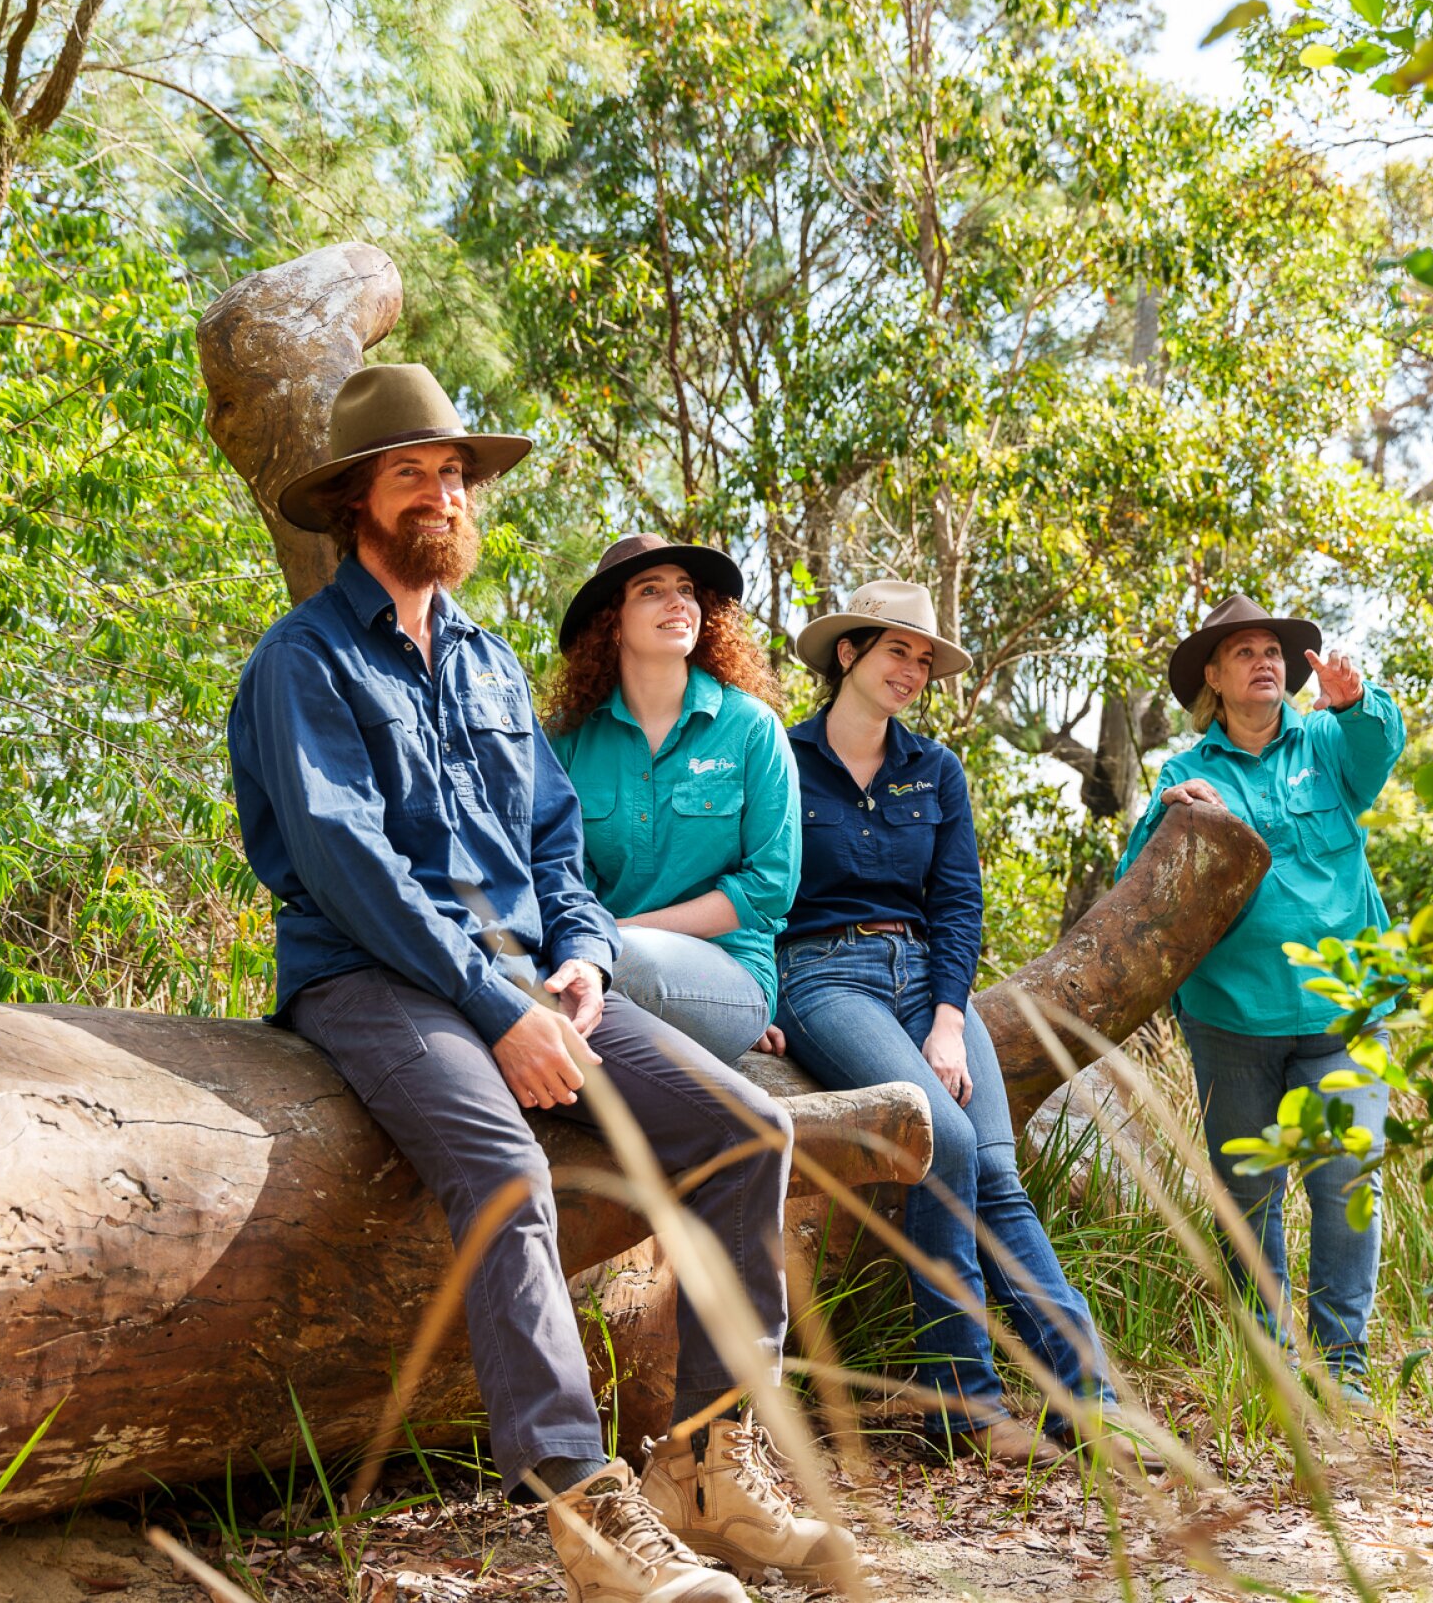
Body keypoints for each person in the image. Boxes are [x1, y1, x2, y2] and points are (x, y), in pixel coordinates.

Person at [225, 364, 852, 1602]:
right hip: (369, 978)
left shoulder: (487, 662)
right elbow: (349, 866)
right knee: (506, 1169)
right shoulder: (302, 663)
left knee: (747, 1128)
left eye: (455, 473)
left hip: (530, 978)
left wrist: (583, 954)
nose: (443, 493)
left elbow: (555, 846)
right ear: (357, 500)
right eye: (414, 471)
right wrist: (494, 1005)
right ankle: (584, 1510)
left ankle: (708, 1463)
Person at [771, 580, 1113, 1464]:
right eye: (898, 652)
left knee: (994, 1169)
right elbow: (756, 885)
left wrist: (950, 1021)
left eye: (925, 660)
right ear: (848, 654)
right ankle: (962, 1405)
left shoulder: (937, 769)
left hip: (927, 977)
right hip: (825, 975)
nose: (915, 671)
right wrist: (754, 995)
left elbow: (959, 904)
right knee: (947, 1145)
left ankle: (1093, 1404)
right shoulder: (778, 756)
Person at [1115, 594, 1405, 1405]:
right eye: (1244, 652)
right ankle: (1270, 1358)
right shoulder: (1186, 771)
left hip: (1345, 1009)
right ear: (1213, 677)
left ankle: (1343, 1366)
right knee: (1249, 1194)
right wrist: (1169, 822)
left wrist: (1357, 703)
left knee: (1346, 1178)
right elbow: (1144, 886)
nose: (1265, 661)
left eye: (1273, 650)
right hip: (1232, 1018)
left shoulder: (1328, 742)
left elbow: (1381, 748)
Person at [546, 534, 799, 1066]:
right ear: (611, 621)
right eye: (651, 590)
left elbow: (770, 886)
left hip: (725, 969)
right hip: (596, 961)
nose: (678, 602)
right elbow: (557, 873)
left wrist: (613, 936)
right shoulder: (568, 741)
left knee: (624, 961)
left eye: (685, 589)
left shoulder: (752, 728)